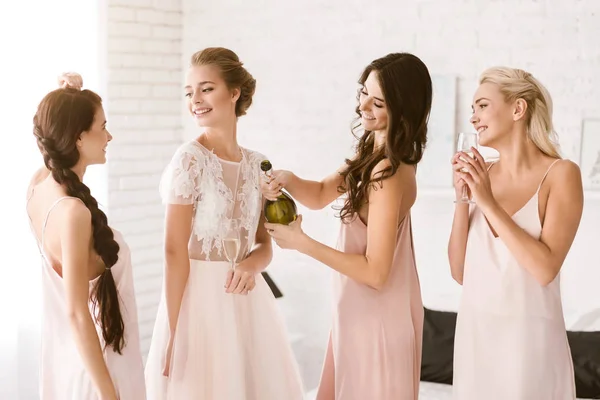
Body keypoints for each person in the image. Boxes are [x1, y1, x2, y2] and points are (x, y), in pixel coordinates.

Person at [263, 52, 432, 400]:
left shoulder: (388, 171)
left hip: (377, 323)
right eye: (363, 93)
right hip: (356, 317)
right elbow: (322, 193)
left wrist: (302, 242)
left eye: (378, 102)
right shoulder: (373, 152)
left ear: (404, 108)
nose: (363, 107)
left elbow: (375, 272)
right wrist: (288, 179)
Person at [144, 47, 304, 400]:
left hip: (247, 300)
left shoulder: (258, 164)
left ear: (234, 93)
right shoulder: (189, 159)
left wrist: (251, 264)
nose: (195, 100)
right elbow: (173, 250)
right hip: (198, 303)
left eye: (206, 88)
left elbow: (263, 243)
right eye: (190, 92)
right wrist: (173, 331)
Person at [448, 66, 582, 399]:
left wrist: (487, 202)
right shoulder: (481, 176)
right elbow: (459, 271)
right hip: (476, 339)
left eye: (482, 105)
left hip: (529, 346)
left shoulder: (561, 174)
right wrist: (462, 200)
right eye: (473, 110)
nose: (474, 118)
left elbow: (544, 269)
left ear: (518, 109)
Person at [26, 73, 146, 399]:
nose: (110, 136)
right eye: (103, 126)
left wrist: (64, 93)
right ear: (79, 138)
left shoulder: (38, 186)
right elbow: (77, 312)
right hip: (99, 370)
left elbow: (53, 127)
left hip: (68, 364)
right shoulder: (73, 213)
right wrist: (110, 393)